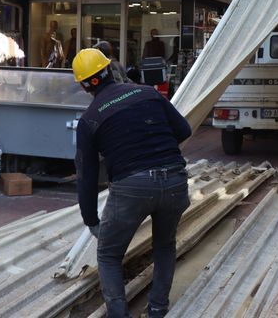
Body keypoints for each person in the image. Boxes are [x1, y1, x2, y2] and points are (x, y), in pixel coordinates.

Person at [71, 48, 191, 318]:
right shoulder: (148, 93)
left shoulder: (90, 119)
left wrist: (91, 219)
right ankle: (158, 309)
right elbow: (184, 130)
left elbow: (86, 175)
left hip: (132, 188)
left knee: (109, 255)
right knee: (164, 245)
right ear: (110, 69)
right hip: (175, 181)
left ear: (83, 85)